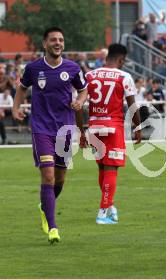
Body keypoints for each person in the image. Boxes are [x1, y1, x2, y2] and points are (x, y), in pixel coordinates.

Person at [12, 27, 88, 244]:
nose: (58, 43)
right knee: (48, 175)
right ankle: (53, 227)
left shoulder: (72, 68)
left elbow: (83, 89)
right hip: (41, 128)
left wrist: (80, 101)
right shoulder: (34, 68)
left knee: (60, 178)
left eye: (61, 40)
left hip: (64, 129)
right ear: (44, 43)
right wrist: (16, 108)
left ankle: (45, 204)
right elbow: (21, 88)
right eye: (53, 40)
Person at [83, 44, 142, 224]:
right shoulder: (124, 76)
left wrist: (81, 128)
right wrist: (138, 127)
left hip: (94, 125)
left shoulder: (90, 75)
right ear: (121, 60)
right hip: (113, 126)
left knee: (102, 167)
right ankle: (103, 211)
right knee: (111, 169)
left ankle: (109, 206)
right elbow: (132, 105)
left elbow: (79, 101)